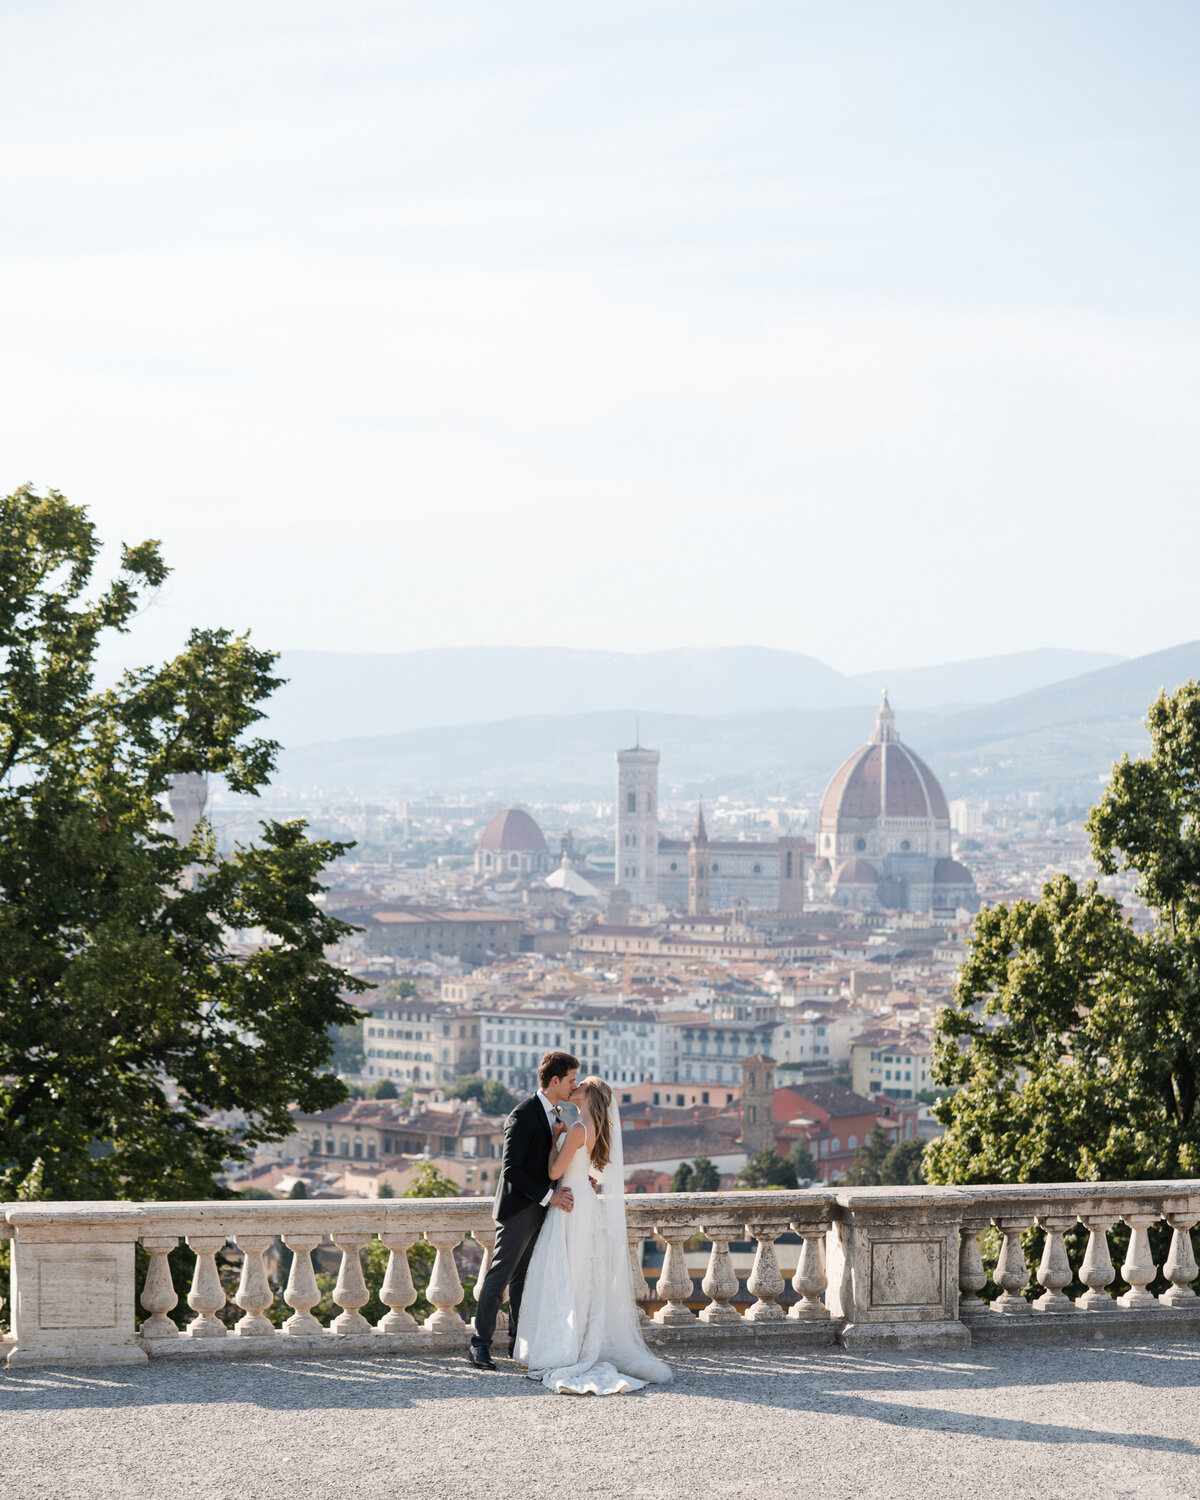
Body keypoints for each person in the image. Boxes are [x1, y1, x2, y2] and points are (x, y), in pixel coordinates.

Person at [514, 1074, 673, 1396]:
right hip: (587, 1205)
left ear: (591, 1095)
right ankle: (582, 1340)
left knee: (564, 1275)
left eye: (581, 1084)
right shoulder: (600, 1130)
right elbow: (596, 1173)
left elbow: (553, 1173)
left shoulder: (575, 1129)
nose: (575, 1087)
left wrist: (556, 1139)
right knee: (584, 1276)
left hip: (569, 1204)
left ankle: (564, 1348)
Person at [469, 1051, 579, 1371]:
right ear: (555, 1080)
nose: (574, 1086)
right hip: (519, 1209)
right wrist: (549, 1196)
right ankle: (479, 1346)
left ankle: (517, 1341)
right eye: (571, 1080)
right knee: (499, 1277)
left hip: (539, 1207)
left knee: (523, 1279)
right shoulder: (522, 1114)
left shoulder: (552, 1114)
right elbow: (512, 1170)